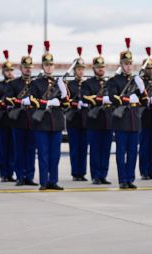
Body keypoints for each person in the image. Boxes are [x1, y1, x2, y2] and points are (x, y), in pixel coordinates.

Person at [107, 38, 149, 189]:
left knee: (132, 152)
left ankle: (130, 178)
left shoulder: (136, 80)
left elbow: (145, 102)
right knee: (121, 153)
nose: (129, 66)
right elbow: (113, 97)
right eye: (126, 63)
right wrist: (126, 98)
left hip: (134, 121)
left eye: (130, 63)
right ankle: (122, 179)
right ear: (121, 64)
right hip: (121, 121)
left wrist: (142, 89)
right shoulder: (114, 80)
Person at [30, 41, 67, 190]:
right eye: (46, 65)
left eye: (51, 65)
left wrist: (62, 96)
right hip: (42, 123)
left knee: (55, 155)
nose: (49, 67)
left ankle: (54, 180)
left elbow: (65, 103)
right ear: (42, 66)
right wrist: (48, 103)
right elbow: (33, 101)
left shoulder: (59, 82)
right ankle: (44, 182)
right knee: (43, 154)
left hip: (56, 123)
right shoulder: (36, 83)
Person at [5, 45, 38, 186]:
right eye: (25, 67)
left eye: (30, 67)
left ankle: (29, 176)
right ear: (21, 68)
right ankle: (19, 176)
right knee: (19, 150)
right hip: (18, 120)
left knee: (31, 150)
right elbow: (7, 99)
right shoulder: (14, 84)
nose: (28, 69)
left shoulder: (36, 83)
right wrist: (20, 102)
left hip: (33, 121)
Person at [81, 44, 113, 185]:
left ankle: (103, 175)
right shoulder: (88, 83)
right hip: (94, 121)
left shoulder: (109, 83)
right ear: (94, 69)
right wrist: (99, 99)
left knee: (105, 150)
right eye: (98, 67)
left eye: (103, 67)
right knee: (94, 150)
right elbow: (85, 97)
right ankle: (95, 175)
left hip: (107, 121)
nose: (101, 69)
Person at [0, 50, 16, 182]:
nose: (9, 72)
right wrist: (3, 102)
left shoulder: (17, 85)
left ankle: (11, 173)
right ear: (3, 72)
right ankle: (3, 174)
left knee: (12, 148)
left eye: (11, 70)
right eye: (7, 70)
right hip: (2, 119)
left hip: (14, 120)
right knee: (3, 149)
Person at [66, 47, 89, 182]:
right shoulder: (69, 84)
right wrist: (76, 104)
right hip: (73, 119)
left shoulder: (86, 84)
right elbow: (67, 100)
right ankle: (75, 172)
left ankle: (82, 172)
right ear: (74, 71)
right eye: (78, 69)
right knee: (75, 148)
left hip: (85, 120)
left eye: (82, 69)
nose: (80, 71)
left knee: (84, 147)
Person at [138, 47, 152, 181]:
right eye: (148, 68)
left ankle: (151, 171)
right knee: (145, 147)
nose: (150, 71)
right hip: (144, 118)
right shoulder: (139, 82)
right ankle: (144, 171)